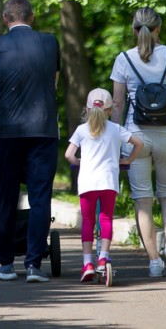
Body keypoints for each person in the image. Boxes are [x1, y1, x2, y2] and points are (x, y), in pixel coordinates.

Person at [0, 0, 60, 283]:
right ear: (32, 17)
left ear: (5, 19)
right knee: (40, 197)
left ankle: (4, 264)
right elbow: (53, 84)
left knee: (7, 194)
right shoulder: (51, 43)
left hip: (8, 132)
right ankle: (34, 265)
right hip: (43, 129)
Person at [110, 7, 166, 277]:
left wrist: (116, 137)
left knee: (143, 200)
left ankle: (154, 261)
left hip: (136, 135)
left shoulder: (123, 59)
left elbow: (117, 103)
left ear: (134, 30)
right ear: (159, 29)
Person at [65, 88, 144, 283]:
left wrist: (79, 162)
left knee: (88, 221)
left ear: (87, 109)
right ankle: (103, 258)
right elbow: (139, 144)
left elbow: (68, 155)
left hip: (87, 182)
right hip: (109, 181)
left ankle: (87, 263)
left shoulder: (81, 130)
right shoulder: (116, 129)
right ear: (109, 110)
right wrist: (127, 160)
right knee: (106, 218)